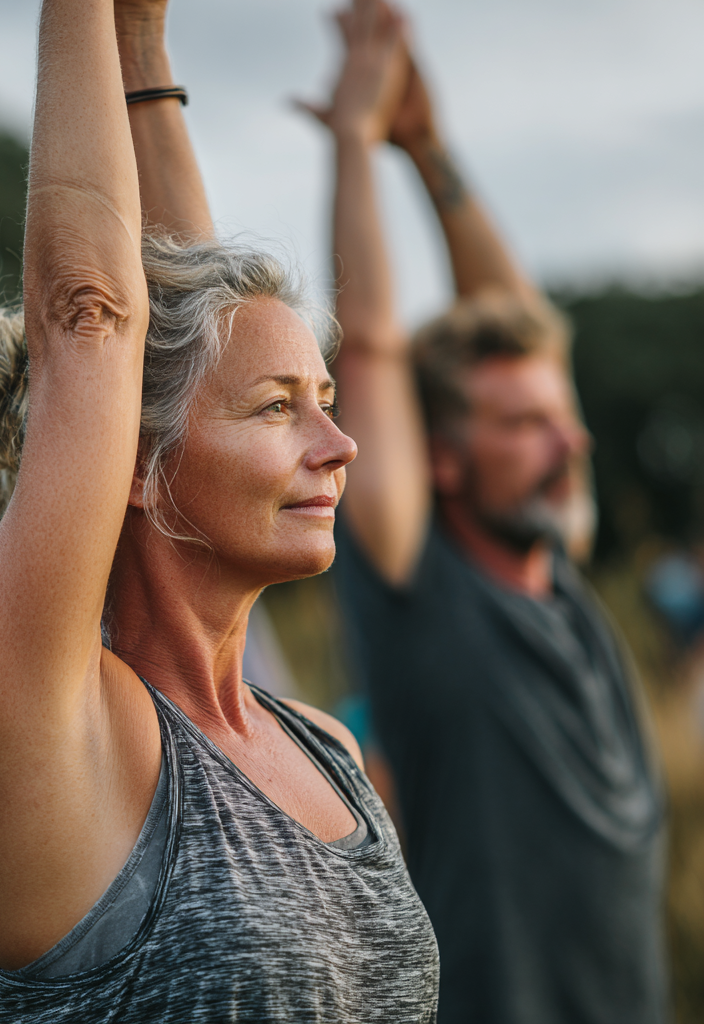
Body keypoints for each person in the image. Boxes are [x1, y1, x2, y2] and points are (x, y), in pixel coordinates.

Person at [0, 0, 439, 1019]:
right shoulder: (56, 728)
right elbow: (94, 318)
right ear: (134, 462)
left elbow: (194, 359)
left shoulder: (325, 747)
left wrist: (144, 52)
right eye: (281, 410)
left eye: (324, 403)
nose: (336, 448)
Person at [302, 2, 668, 1022]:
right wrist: (353, 145)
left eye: (561, 418)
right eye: (525, 426)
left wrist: (431, 152)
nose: (570, 439)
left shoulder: (560, 568)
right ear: (443, 463)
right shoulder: (418, 580)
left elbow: (532, 343)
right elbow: (369, 346)